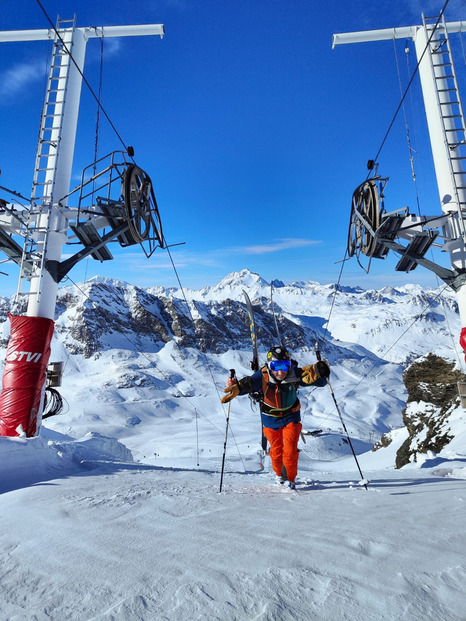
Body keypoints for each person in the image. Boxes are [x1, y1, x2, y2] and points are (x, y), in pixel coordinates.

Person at [220, 345, 330, 489]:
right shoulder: (263, 376)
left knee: (290, 450)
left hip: (291, 416)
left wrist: (323, 370)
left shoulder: (294, 374)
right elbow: (247, 385)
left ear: (289, 365)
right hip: (270, 419)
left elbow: (318, 381)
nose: (280, 371)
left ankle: (290, 479)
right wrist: (236, 386)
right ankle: (279, 475)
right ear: (269, 365)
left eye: (285, 366)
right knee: (276, 451)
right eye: (275, 366)